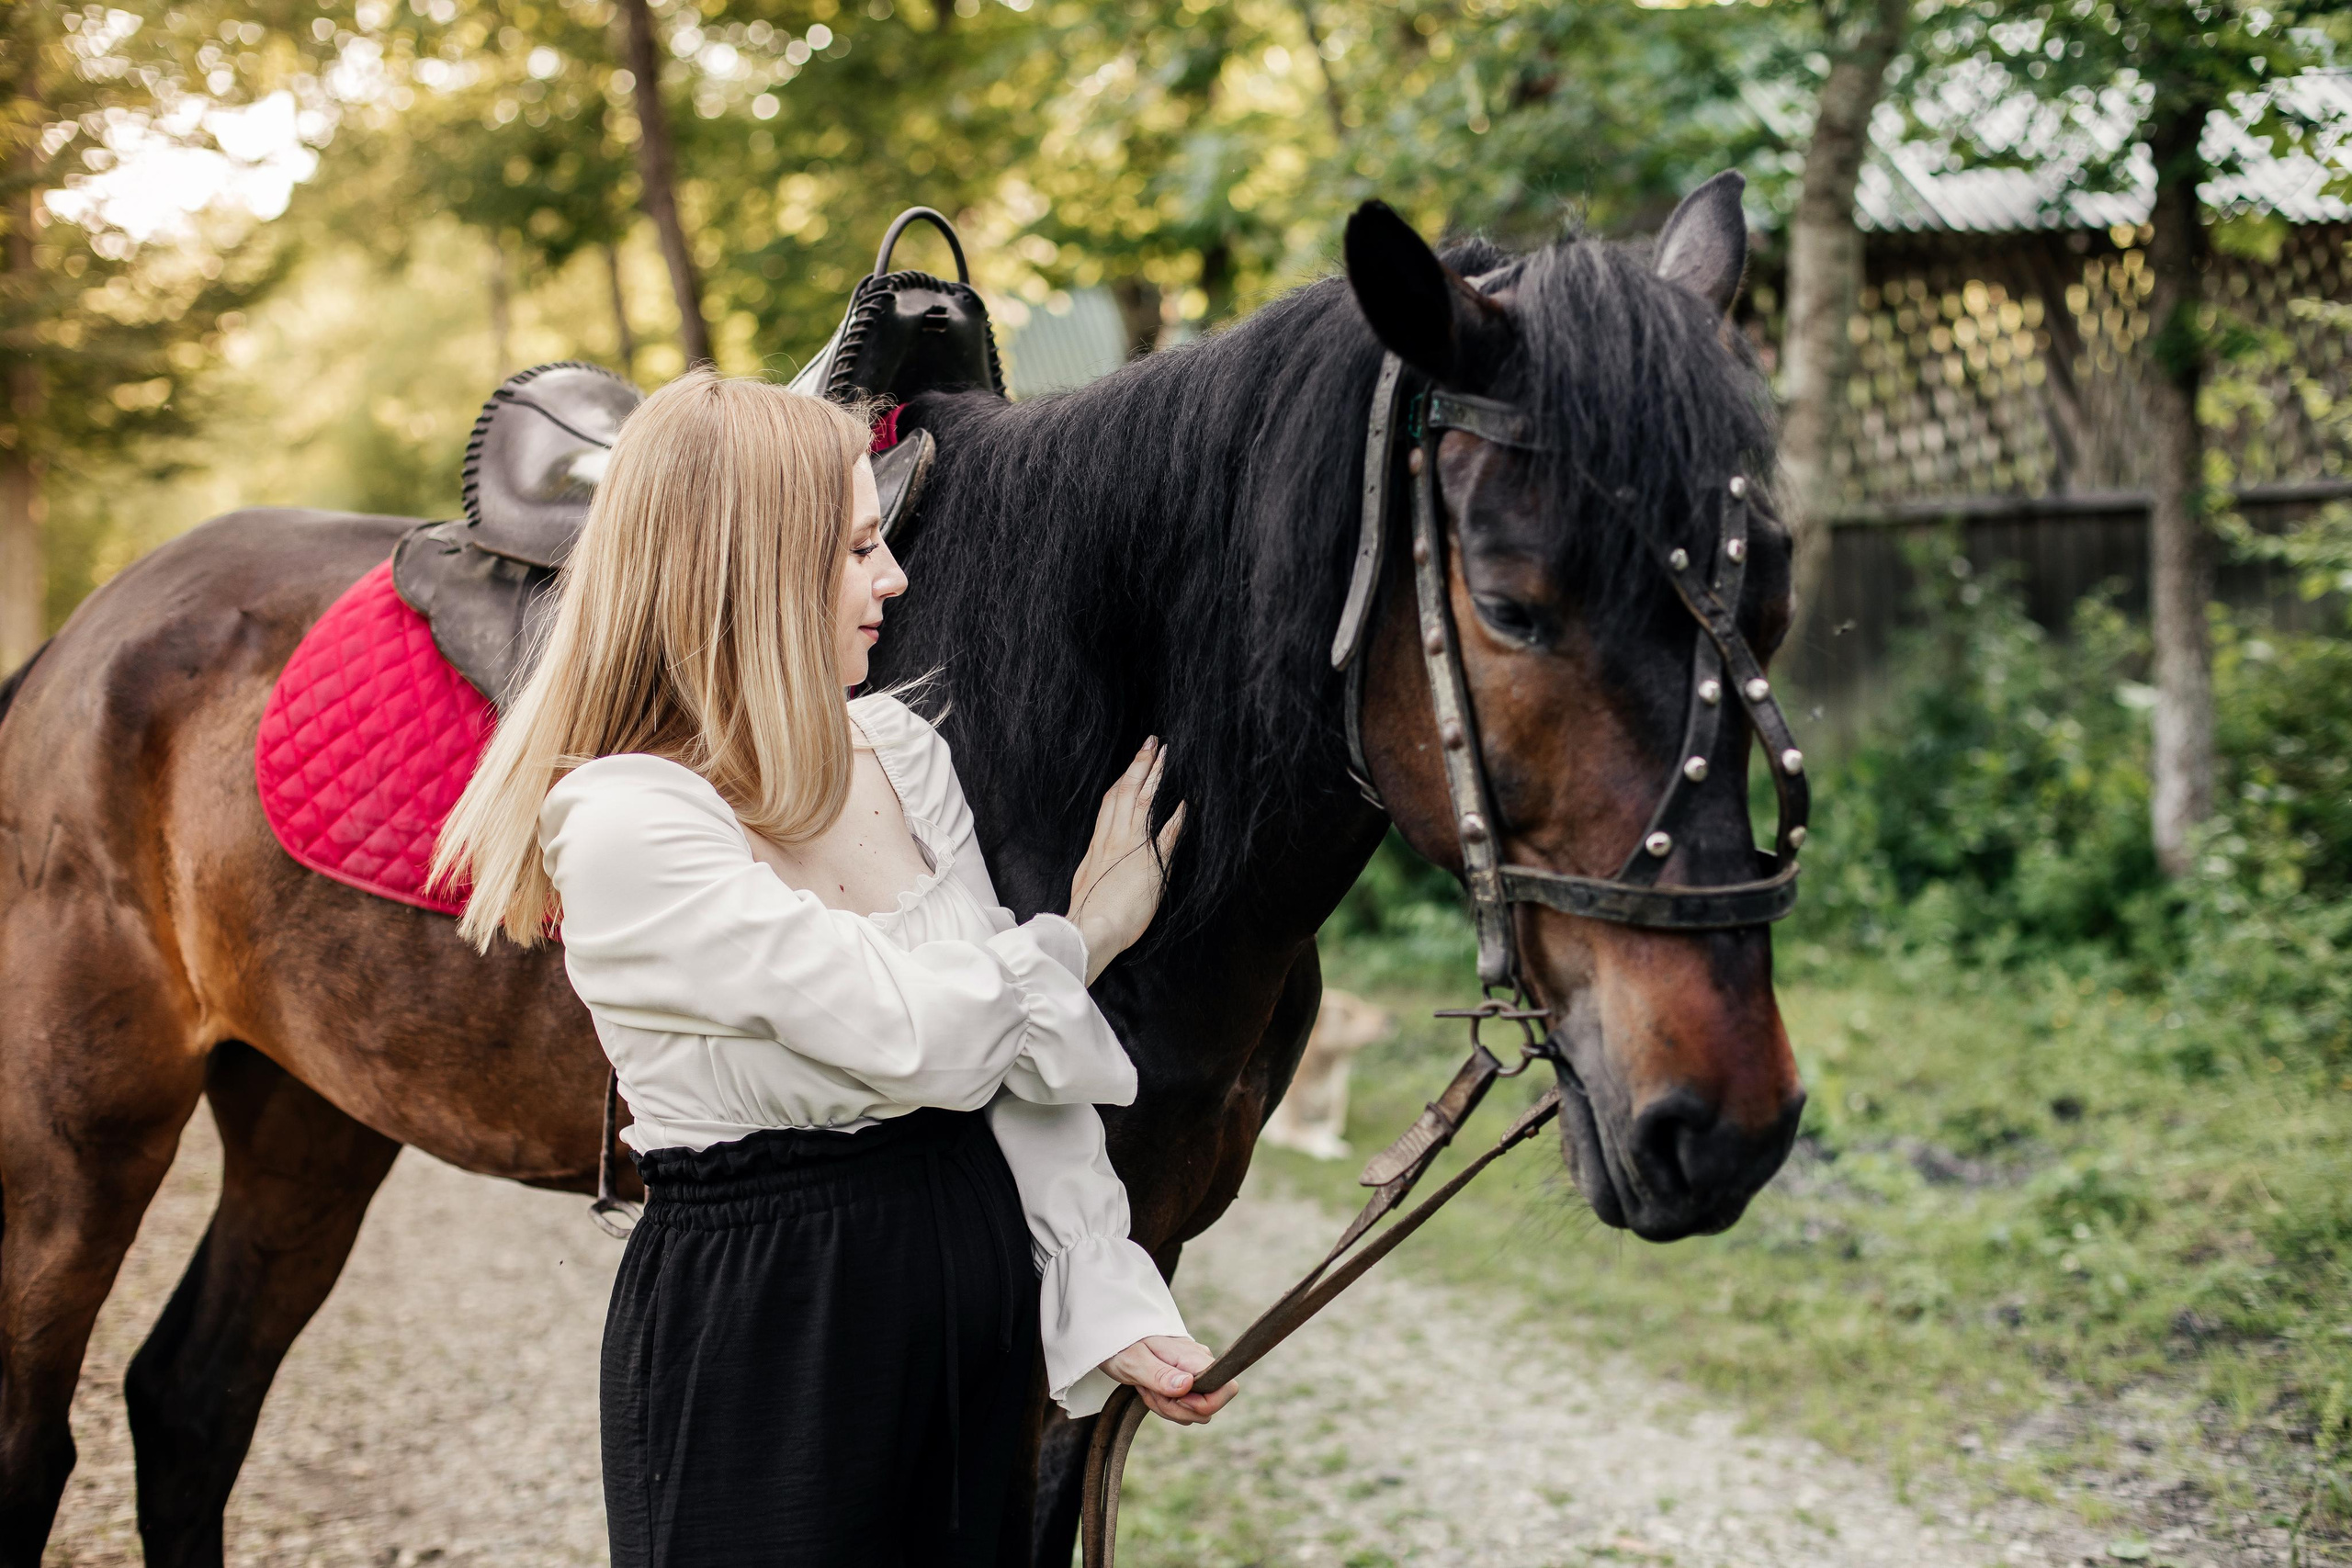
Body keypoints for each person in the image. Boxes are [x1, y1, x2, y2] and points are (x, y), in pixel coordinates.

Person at [433, 369, 1235, 1567]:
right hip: (775, 1326)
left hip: (961, 1288)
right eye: (862, 547)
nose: (895, 579)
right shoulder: (625, 820)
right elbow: (906, 1030)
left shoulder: (900, 753)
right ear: (747, 570)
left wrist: (1100, 1286)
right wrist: (1082, 934)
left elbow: (1014, 1071)